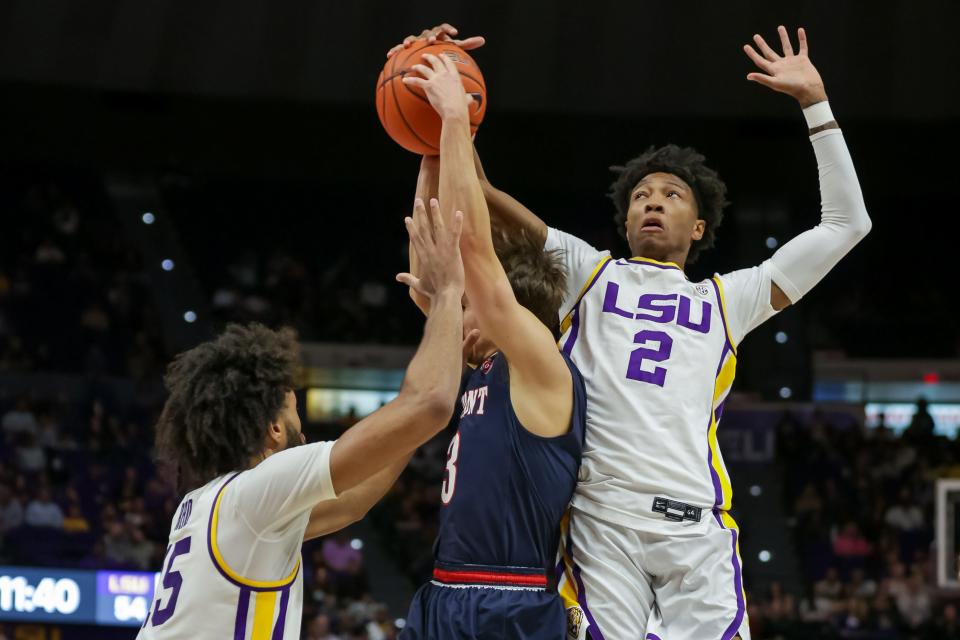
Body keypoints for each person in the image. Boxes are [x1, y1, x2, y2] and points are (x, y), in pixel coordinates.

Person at [390, 22, 871, 639]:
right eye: (641, 194)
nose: (652, 201)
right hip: (600, 520)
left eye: (672, 195)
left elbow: (846, 225)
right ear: (625, 217)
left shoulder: (730, 299)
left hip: (697, 526)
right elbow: (476, 195)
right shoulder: (589, 273)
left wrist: (815, 104)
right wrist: (431, 84)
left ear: (698, 227)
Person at [137, 205, 467, 639]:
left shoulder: (208, 505)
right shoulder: (255, 493)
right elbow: (429, 404)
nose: (304, 432)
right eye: (294, 414)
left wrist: (446, 350)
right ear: (273, 430)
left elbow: (353, 501)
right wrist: (447, 297)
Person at [394, 50, 586, 638]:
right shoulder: (481, 360)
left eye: (468, 303)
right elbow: (432, 278)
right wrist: (427, 140)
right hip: (445, 589)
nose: (457, 310)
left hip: (513, 599)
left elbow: (472, 254)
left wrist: (455, 120)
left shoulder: (541, 367)